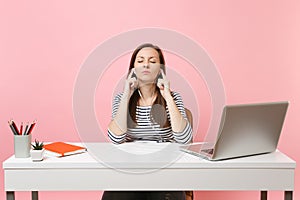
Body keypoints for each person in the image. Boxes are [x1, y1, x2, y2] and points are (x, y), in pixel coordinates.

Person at [102, 43, 192, 200]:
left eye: (152, 60)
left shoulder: (174, 98)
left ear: (160, 69)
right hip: (130, 171)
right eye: (140, 60)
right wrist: (126, 94)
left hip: (165, 171)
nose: (146, 64)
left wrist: (167, 96)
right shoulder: (121, 99)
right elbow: (116, 138)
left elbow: (184, 139)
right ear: (133, 69)